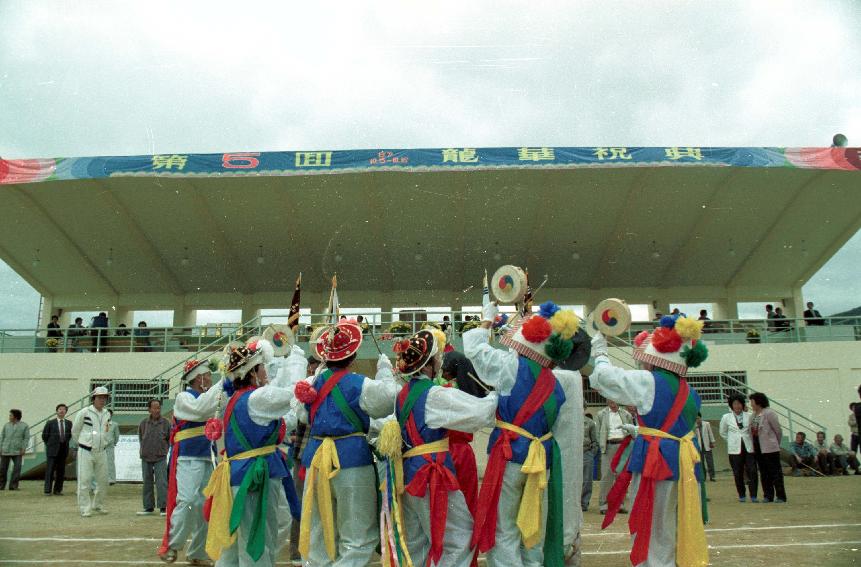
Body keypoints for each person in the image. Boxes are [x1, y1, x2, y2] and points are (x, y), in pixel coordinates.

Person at [589, 314, 711, 567]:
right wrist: (640, 430)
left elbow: (603, 378)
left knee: (652, 524)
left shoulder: (650, 382)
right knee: (673, 523)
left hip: (657, 462)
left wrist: (600, 348)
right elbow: (670, 426)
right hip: (684, 462)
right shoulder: (689, 390)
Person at [464, 301, 576, 567]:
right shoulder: (557, 383)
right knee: (532, 524)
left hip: (510, 455)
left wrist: (487, 322)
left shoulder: (512, 368)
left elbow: (476, 351)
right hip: (540, 459)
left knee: (504, 525)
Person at [380, 328, 497, 567]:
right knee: (459, 536)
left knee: (416, 542)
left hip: (409, 474)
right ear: (429, 363)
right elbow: (480, 413)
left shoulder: (402, 394)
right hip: (433, 473)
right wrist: (497, 395)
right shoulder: (433, 395)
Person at [294, 318, 399, 567]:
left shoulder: (310, 385)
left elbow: (300, 414)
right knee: (357, 534)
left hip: (316, 460)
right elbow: (389, 399)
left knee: (319, 530)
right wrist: (385, 369)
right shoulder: (359, 385)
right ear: (352, 358)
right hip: (351, 459)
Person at [203, 339, 305, 566]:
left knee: (235, 543)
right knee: (258, 540)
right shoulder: (256, 398)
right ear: (252, 372)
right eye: (262, 367)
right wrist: (296, 360)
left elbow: (283, 421)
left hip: (239, 472)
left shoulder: (238, 399)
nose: (266, 371)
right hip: (255, 476)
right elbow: (292, 394)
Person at [158, 358, 223, 565]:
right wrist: (225, 382)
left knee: (205, 506)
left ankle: (197, 552)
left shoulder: (209, 398)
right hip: (188, 457)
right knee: (186, 501)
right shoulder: (184, 397)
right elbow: (201, 409)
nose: (210, 379)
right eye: (207, 376)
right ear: (198, 377)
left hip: (208, 456)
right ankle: (172, 545)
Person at [287, 355, 321, 566]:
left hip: (321, 457)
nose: (315, 369)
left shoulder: (322, 392)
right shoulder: (303, 392)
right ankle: (296, 550)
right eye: (314, 365)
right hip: (303, 457)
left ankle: (315, 549)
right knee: (300, 504)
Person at [72, 386, 112, 516]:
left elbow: (106, 430)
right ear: (93, 398)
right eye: (99, 397)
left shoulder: (107, 413)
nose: (102, 400)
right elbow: (75, 430)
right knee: (85, 480)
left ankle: (98, 504)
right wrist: (82, 443)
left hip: (102, 451)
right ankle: (85, 508)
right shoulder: (84, 412)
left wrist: (105, 441)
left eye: (104, 398)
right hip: (86, 450)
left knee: (103, 480)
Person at [595, 400, 635, 514]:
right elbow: (598, 433)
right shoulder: (600, 414)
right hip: (608, 446)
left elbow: (630, 430)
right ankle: (604, 505)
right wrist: (602, 445)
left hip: (623, 446)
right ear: (606, 400)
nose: (612, 401)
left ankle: (619, 504)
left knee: (621, 476)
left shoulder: (626, 414)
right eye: (609, 399)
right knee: (606, 476)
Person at [718, 394, 757, 502]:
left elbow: (751, 430)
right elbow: (723, 432)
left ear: (743, 404)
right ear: (731, 405)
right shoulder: (726, 417)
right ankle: (742, 495)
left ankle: (753, 495)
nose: (737, 406)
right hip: (734, 449)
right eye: (735, 404)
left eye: (739, 403)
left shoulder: (749, 416)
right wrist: (732, 440)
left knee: (752, 470)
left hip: (748, 447)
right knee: (737, 472)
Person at [749, 392, 786, 502]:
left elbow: (778, 430)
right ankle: (768, 495)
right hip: (758, 446)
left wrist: (775, 443)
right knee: (764, 472)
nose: (751, 404)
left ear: (758, 402)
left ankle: (780, 496)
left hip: (770, 447)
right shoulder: (753, 415)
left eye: (752, 401)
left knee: (775, 472)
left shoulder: (769, 413)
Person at [138, 399, 171, 515]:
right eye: (154, 408)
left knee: (162, 482)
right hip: (146, 457)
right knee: (147, 482)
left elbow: (169, 439)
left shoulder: (166, 423)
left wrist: (164, 450)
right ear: (149, 409)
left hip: (160, 457)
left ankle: (163, 507)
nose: (157, 410)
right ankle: (148, 507)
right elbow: (141, 438)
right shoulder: (143, 423)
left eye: (158, 408)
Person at [42, 403, 72, 495]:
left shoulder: (69, 423)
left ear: (66, 412)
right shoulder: (50, 423)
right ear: (56, 411)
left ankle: (58, 490)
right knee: (50, 470)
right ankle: (47, 490)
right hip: (52, 450)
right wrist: (50, 444)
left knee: (61, 471)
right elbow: (44, 436)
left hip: (63, 450)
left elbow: (69, 436)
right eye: (60, 409)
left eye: (64, 409)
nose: (62, 411)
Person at [0, 409, 30, 491]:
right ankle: (1, 485)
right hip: (5, 450)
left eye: (10, 415)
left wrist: (23, 448)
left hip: (18, 450)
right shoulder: (6, 425)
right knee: (2, 469)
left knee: (17, 468)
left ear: (15, 416)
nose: (9, 417)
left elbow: (26, 438)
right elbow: (2, 437)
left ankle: (13, 486)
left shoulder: (24, 426)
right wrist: (0, 448)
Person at [582, 410, 599, 512]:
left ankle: (584, 502)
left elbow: (594, 441)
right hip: (573, 452)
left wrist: (591, 453)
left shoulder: (590, 423)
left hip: (586, 452)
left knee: (587, 479)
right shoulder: (570, 422)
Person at [694, 413, 716, 482]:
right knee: (701, 463)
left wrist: (712, 442)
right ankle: (703, 477)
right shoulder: (694, 426)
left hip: (707, 445)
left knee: (710, 462)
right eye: (696, 419)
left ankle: (712, 476)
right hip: (699, 447)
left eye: (698, 418)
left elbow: (710, 433)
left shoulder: (707, 424)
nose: (697, 420)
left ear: (701, 418)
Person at [105, 410, 120, 484]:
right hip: (100, 447)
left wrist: (114, 443)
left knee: (110, 463)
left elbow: (117, 435)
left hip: (110, 447)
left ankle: (111, 479)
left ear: (111, 415)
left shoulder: (115, 424)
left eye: (109, 414)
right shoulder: (100, 423)